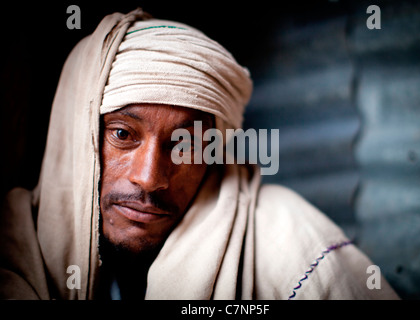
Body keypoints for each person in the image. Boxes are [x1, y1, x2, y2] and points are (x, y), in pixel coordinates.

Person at [0, 8, 399, 300]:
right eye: (122, 134)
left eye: (187, 144)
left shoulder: (294, 245)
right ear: (77, 133)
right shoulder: (8, 246)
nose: (149, 177)